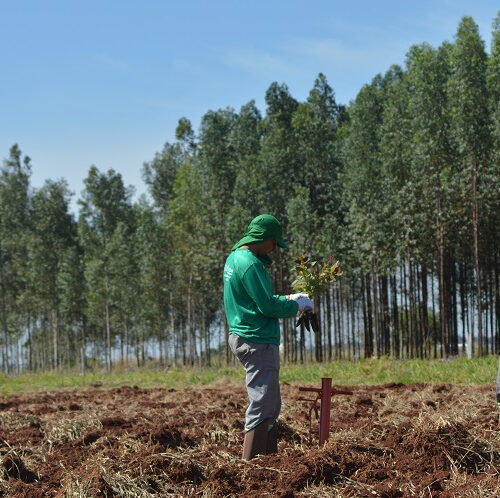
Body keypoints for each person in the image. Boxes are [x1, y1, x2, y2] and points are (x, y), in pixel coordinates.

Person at [223, 214, 313, 460]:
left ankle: (269, 462)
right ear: (263, 238)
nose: (275, 247)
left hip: (245, 333)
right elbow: (265, 307)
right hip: (256, 338)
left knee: (271, 402)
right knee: (263, 401)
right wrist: (297, 307)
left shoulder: (235, 258)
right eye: (274, 242)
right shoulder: (251, 264)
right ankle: (250, 465)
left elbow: (258, 299)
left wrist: (289, 298)